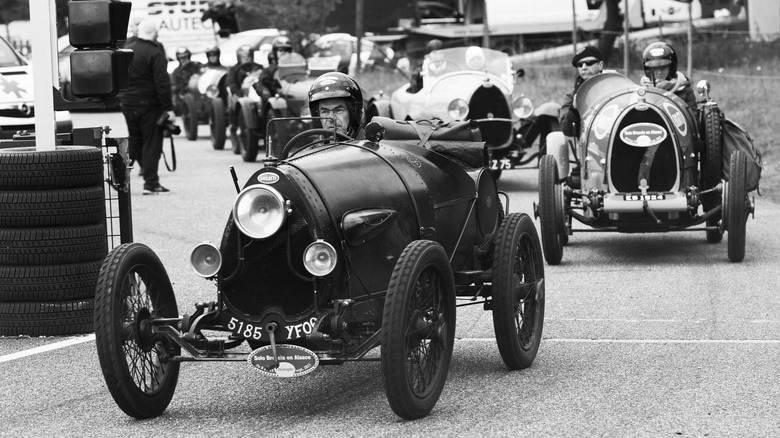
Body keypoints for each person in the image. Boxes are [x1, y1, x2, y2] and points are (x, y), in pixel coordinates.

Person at [120, 18, 174, 195]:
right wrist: (168, 108)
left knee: (135, 141)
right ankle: (151, 183)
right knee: (152, 143)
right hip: (149, 105)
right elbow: (162, 82)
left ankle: (119, 176)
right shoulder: (155, 52)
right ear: (154, 33)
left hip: (128, 103)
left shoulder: (128, 50)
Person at [559, 45, 604, 137]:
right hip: (586, 143)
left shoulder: (614, 87)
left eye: (589, 63)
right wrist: (574, 109)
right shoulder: (571, 96)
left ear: (600, 65)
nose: (584, 67)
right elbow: (567, 131)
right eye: (580, 65)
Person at [639, 41, 697, 111]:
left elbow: (692, 119)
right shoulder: (641, 92)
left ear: (671, 67)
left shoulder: (685, 91)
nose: (659, 72)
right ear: (648, 70)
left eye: (663, 67)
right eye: (654, 68)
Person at [308, 72, 365, 139]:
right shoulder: (315, 147)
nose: (331, 118)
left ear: (352, 115)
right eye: (324, 112)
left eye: (338, 110)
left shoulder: (368, 147)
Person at [170, 47, 204, 113]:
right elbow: (173, 88)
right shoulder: (176, 72)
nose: (183, 60)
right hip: (184, 96)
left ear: (189, 57)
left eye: (185, 57)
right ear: (178, 59)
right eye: (181, 58)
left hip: (199, 92)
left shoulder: (197, 66)